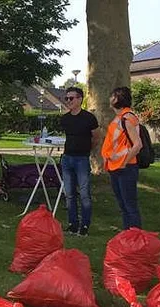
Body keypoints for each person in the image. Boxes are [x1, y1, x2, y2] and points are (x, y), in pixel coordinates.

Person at [101, 86, 143, 230]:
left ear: (117, 99)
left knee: (129, 206)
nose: (110, 98)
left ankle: (135, 236)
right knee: (124, 205)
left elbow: (138, 145)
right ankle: (127, 235)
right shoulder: (119, 118)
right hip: (116, 166)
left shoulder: (127, 118)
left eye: (112, 96)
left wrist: (124, 162)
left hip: (125, 167)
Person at [60, 87, 99, 236]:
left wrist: (87, 150)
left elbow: (96, 137)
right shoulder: (65, 119)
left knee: (84, 193)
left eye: (71, 98)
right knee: (69, 194)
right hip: (67, 158)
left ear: (80, 99)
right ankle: (72, 224)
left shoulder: (89, 118)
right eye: (67, 98)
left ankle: (84, 226)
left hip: (82, 159)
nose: (68, 101)